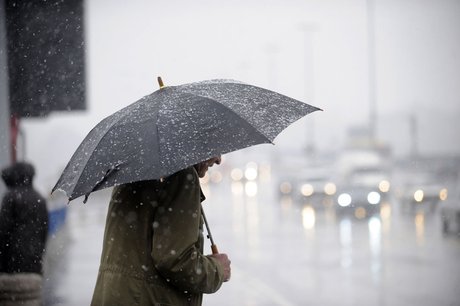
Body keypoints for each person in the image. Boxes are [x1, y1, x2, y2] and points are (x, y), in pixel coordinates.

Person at [91, 156, 231, 306]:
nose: (218, 160)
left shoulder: (134, 171)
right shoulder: (182, 175)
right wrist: (217, 269)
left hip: (112, 295)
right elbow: (175, 260)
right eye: (212, 146)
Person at [0, 162, 49, 304]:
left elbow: (3, 232)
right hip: (34, 267)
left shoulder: (10, 197)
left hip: (11, 268)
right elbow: (44, 232)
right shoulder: (40, 198)